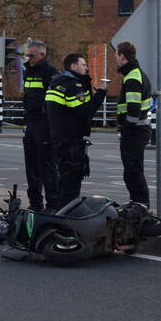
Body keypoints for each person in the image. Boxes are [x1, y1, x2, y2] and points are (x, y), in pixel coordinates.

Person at [46, 53, 109, 209]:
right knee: (71, 184)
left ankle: (59, 213)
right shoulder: (73, 85)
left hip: (59, 139)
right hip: (71, 142)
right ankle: (67, 218)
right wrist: (101, 93)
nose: (87, 68)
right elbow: (85, 111)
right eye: (83, 65)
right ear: (73, 67)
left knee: (63, 181)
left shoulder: (56, 83)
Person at [21, 40, 60, 211]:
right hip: (31, 123)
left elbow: (54, 102)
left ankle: (52, 204)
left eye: (32, 55)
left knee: (47, 166)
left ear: (42, 55)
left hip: (45, 124)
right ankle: (35, 203)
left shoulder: (51, 73)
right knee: (31, 166)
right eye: (27, 55)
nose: (29, 58)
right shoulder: (28, 72)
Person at [114, 41, 153, 207]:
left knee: (133, 171)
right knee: (132, 170)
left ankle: (140, 205)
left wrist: (126, 131)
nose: (115, 58)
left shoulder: (132, 78)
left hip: (135, 131)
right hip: (138, 130)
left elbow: (133, 109)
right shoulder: (134, 74)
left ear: (123, 57)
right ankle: (137, 203)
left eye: (116, 55)